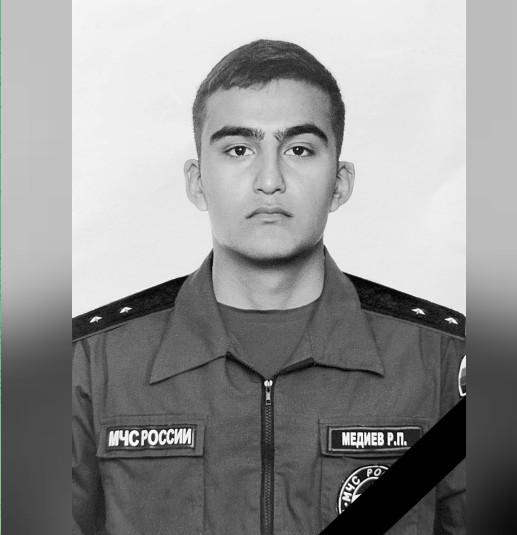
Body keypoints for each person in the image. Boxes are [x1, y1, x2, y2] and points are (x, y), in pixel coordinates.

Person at [72, 39, 466, 534]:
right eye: (239, 150)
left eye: (299, 150)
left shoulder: (443, 363)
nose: (270, 179)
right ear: (197, 181)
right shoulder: (90, 367)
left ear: (340, 182)